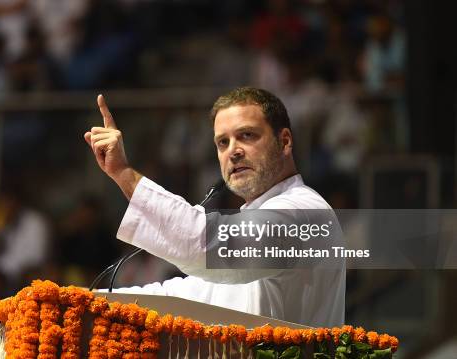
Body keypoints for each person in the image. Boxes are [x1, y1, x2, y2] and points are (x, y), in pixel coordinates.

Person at [84, 87, 345, 327]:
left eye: (247, 135)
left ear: (285, 141)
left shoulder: (305, 212)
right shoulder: (255, 225)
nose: (233, 151)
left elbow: (206, 246)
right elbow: (184, 296)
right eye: (223, 142)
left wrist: (125, 175)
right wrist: (85, 303)